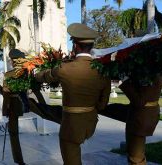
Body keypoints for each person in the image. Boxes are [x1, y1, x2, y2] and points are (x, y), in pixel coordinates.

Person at [34, 23, 111, 165]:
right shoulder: (102, 70)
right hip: (90, 123)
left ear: (75, 45)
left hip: (71, 125)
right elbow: (102, 103)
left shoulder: (65, 68)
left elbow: (44, 76)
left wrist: (34, 73)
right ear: (91, 46)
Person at [99, 74, 162, 165]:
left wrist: (124, 79)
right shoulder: (156, 68)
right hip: (145, 114)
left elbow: (139, 101)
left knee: (136, 157)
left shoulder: (147, 71)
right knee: (136, 153)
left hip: (141, 117)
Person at [0, 49, 29, 165]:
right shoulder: (26, 72)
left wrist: (5, 111)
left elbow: (6, 95)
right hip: (24, 102)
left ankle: (19, 161)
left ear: (13, 60)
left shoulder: (9, 74)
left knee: (13, 134)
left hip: (12, 105)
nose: (10, 62)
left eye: (11, 60)